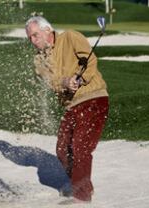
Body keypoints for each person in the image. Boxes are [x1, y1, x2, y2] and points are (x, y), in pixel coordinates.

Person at [25, 16, 109, 203]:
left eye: (35, 35)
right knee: (63, 150)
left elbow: (90, 60)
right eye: (29, 37)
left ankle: (81, 197)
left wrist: (80, 79)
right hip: (72, 106)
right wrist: (65, 82)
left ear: (48, 30)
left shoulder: (70, 37)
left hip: (93, 98)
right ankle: (83, 185)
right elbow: (52, 82)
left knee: (80, 148)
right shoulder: (39, 60)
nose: (33, 40)